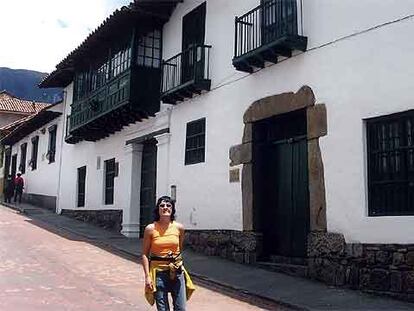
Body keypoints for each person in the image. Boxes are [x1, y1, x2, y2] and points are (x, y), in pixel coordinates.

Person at [142, 196, 195, 311]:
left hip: (177, 271)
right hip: (159, 273)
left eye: (168, 205)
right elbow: (145, 255)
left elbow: (179, 249)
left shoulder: (179, 228)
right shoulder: (150, 229)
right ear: (158, 209)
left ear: (172, 209)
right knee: (163, 309)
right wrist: (147, 277)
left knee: (180, 308)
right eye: (162, 205)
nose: (165, 208)